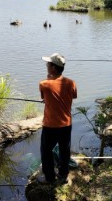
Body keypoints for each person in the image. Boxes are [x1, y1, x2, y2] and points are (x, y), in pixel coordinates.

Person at [37, 53, 77, 184]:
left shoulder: (44, 84)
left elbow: (44, 97)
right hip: (66, 124)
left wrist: (49, 79)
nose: (46, 65)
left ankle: (49, 178)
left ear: (53, 68)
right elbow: (72, 96)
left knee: (46, 151)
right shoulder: (71, 83)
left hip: (50, 126)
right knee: (64, 150)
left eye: (48, 64)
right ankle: (63, 175)